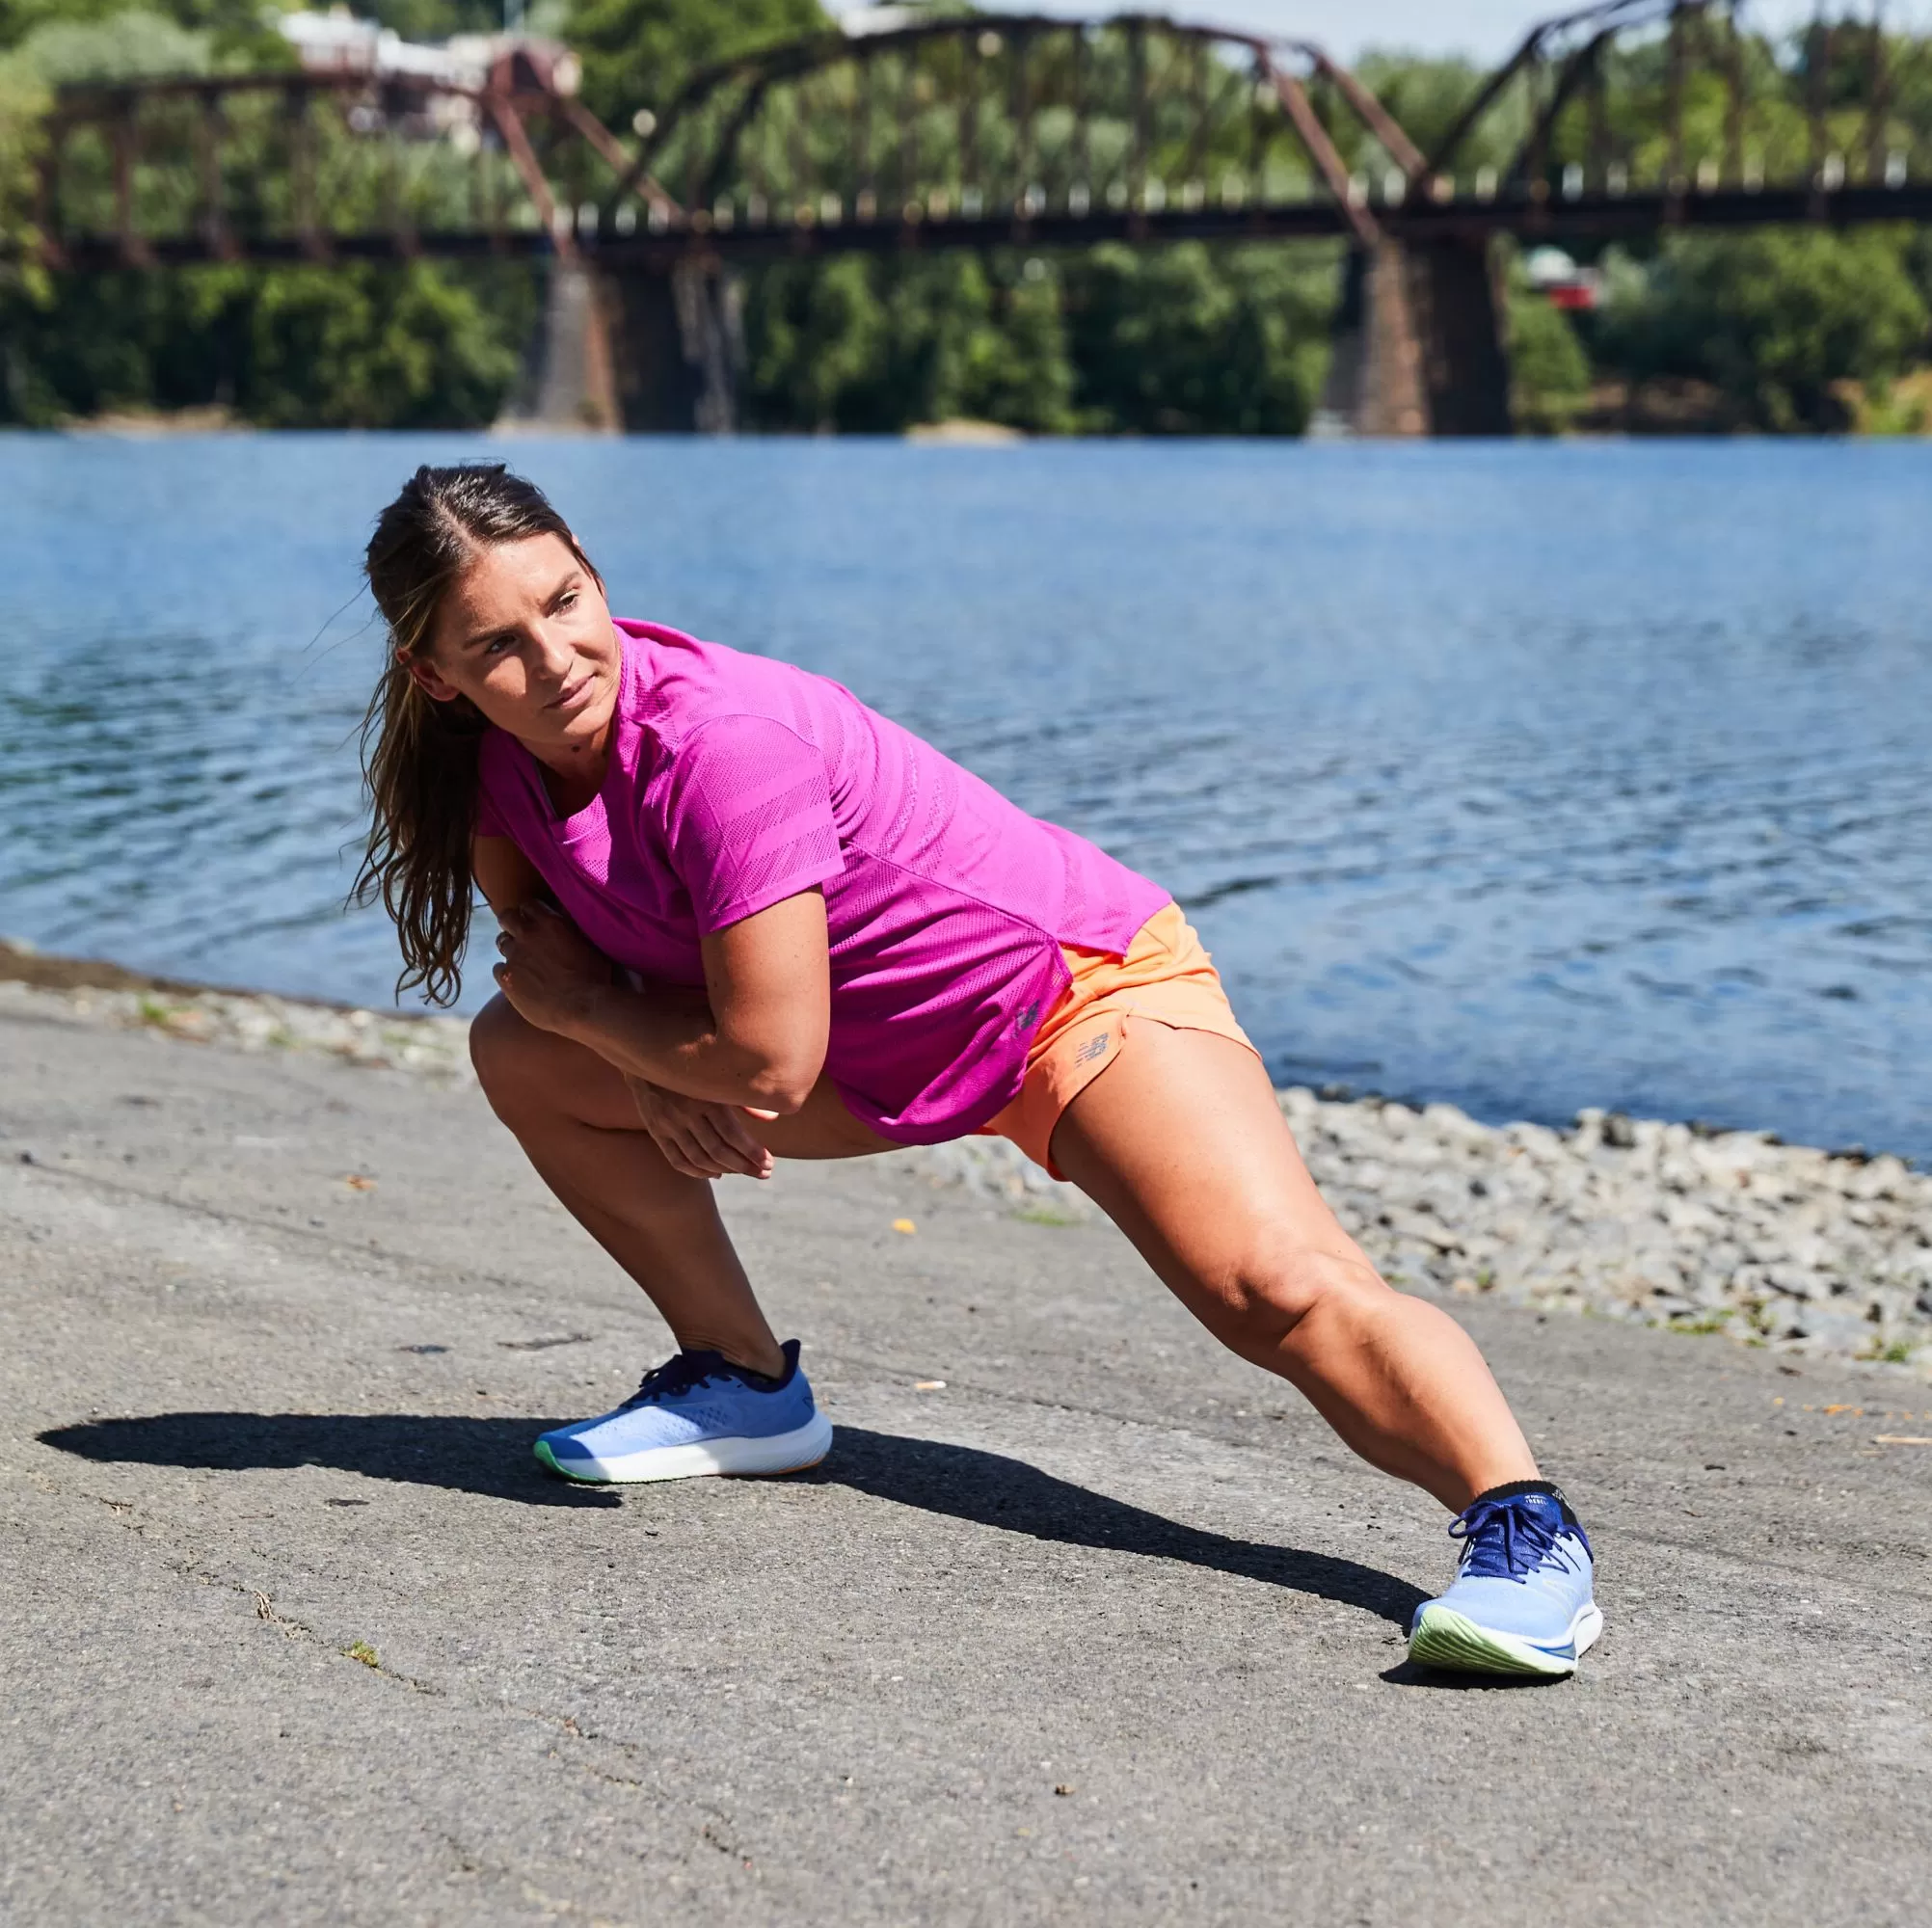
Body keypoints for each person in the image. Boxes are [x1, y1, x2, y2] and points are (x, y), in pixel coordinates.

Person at [357, 462, 1601, 1680]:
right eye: (499, 643)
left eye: (566, 600)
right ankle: (743, 1386)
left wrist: (619, 1033)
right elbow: (554, 973)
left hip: (1070, 998)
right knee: (521, 1055)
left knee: (1274, 1290)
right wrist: (627, 1056)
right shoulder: (497, 772)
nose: (558, 656)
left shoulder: (718, 746)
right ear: (439, 677)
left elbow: (763, 1066)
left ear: (594, 575)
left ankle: (1527, 1534)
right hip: (877, 1040)